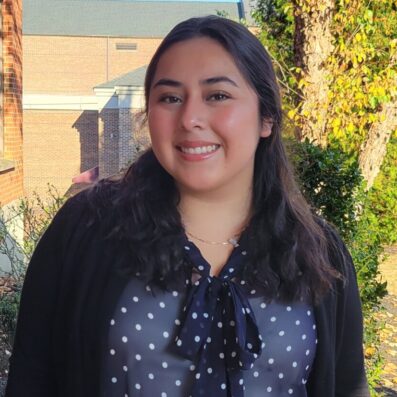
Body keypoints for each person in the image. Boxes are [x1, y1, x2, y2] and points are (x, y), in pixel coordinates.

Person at [5, 15, 369, 397]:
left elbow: (347, 385)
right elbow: (32, 378)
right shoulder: (85, 230)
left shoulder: (319, 253)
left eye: (217, 96)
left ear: (267, 118)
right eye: (170, 98)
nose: (190, 118)